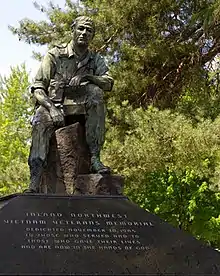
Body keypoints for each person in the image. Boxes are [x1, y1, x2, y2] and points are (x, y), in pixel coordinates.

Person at [26, 16, 114, 193]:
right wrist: (51, 109)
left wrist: (87, 77)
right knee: (39, 121)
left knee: (96, 94)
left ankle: (95, 158)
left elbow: (108, 83)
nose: (84, 33)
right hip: (53, 104)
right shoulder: (55, 55)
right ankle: (35, 178)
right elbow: (38, 89)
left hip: (80, 105)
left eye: (89, 30)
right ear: (73, 30)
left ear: (92, 35)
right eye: (81, 29)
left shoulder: (95, 59)